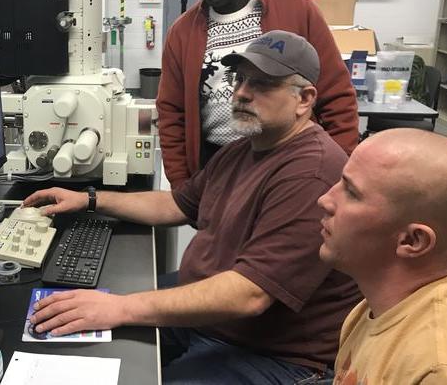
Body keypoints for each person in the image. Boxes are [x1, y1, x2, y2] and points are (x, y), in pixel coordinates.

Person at [23, 31, 361, 384]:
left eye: (262, 84)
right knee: (71, 337)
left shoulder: (310, 173)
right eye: (240, 79)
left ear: (304, 99)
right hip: (213, 321)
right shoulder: (244, 149)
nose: (242, 93)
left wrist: (121, 308)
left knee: (119, 338)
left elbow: (250, 294)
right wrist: (90, 200)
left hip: (271, 354)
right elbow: (176, 204)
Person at [157, 0, 359, 189]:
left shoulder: (295, 9)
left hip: (291, 162)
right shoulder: (182, 32)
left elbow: (337, 96)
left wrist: (338, 173)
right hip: (217, 164)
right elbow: (171, 113)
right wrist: (181, 185)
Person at [317, 129, 447, 384]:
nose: (324, 200)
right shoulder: (374, 308)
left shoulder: (445, 369)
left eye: (352, 193)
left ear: (412, 241)